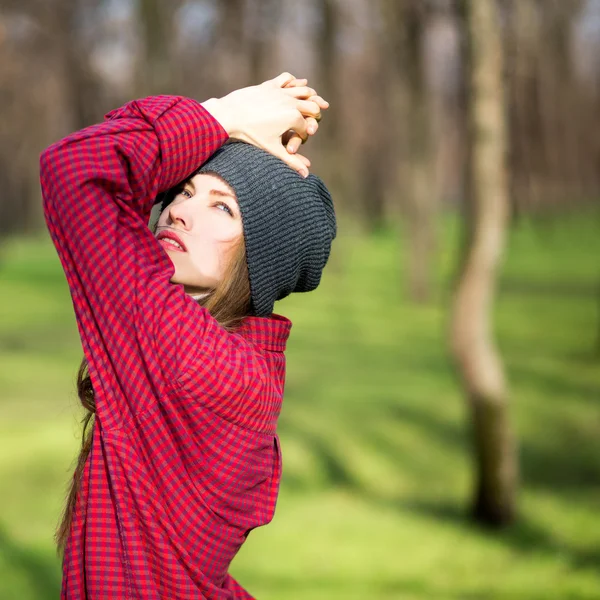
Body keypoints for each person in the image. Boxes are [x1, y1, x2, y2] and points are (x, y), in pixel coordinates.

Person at [39, 72, 337, 599]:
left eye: (222, 207)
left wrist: (225, 114)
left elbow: (77, 169)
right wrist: (229, 128)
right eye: (183, 189)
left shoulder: (202, 362)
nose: (177, 210)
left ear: (259, 261)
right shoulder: (235, 362)